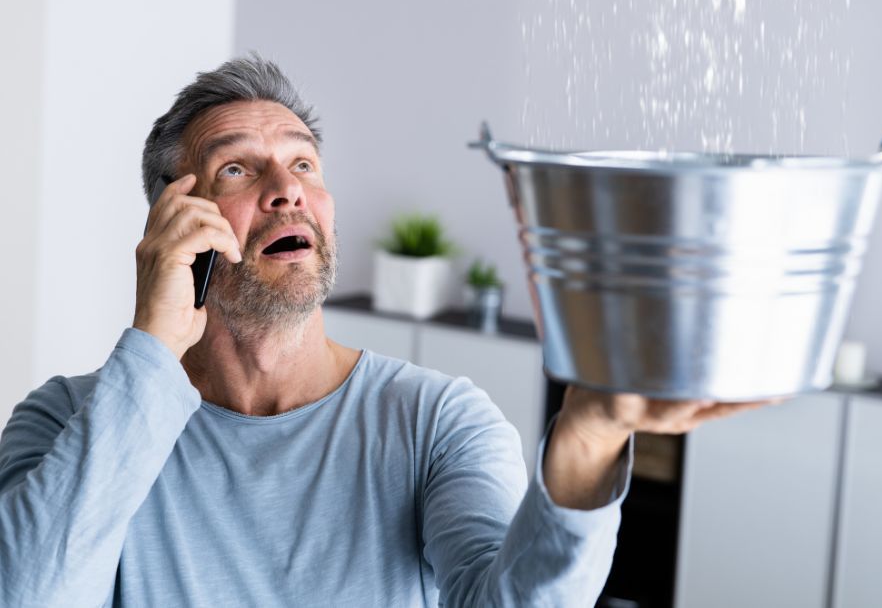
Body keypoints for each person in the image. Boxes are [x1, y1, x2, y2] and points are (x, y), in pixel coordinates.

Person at [0, 56, 762, 607]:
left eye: (304, 164)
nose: (287, 189)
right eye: (238, 169)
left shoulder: (437, 422)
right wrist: (153, 347)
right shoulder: (67, 421)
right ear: (174, 222)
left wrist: (589, 437)